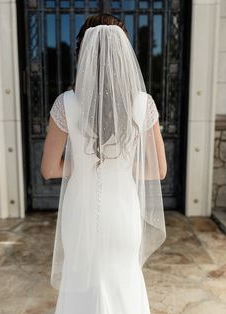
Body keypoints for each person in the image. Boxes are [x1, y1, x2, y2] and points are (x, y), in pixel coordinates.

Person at [41, 13, 167, 314]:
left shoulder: (66, 104)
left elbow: (49, 170)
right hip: (123, 214)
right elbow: (158, 170)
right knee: (124, 285)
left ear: (81, 55)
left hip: (81, 214)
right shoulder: (142, 104)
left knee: (81, 288)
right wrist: (121, 166)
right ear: (124, 55)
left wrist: (83, 165)